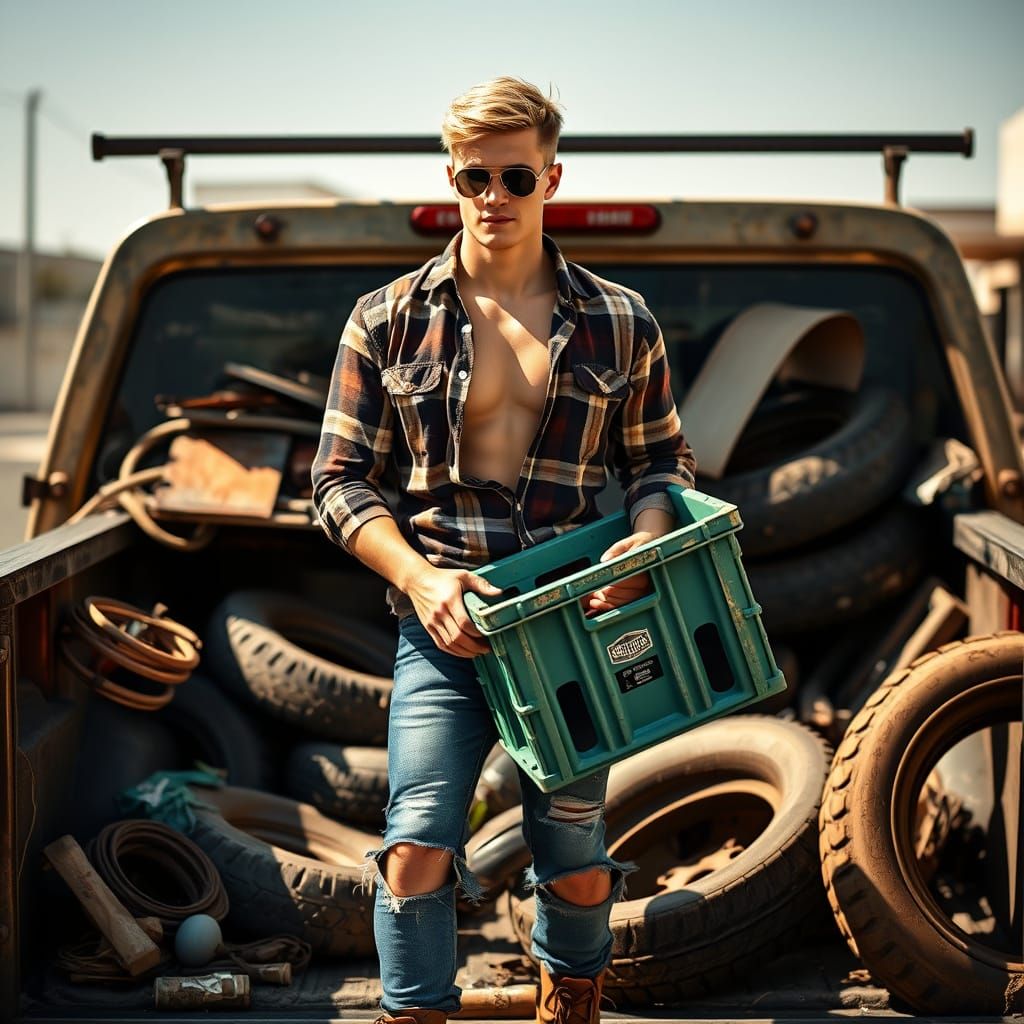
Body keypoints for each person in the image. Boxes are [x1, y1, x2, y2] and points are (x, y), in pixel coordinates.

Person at [312, 76, 695, 1024]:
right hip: (445, 619)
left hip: (571, 625)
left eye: (515, 177)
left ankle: (571, 1004)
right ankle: (418, 1012)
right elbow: (337, 482)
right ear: (452, 179)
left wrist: (641, 549)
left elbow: (662, 465)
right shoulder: (387, 316)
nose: (493, 197)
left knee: (571, 848)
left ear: (551, 179)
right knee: (417, 844)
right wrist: (421, 579)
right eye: (474, 177)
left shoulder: (620, 319)